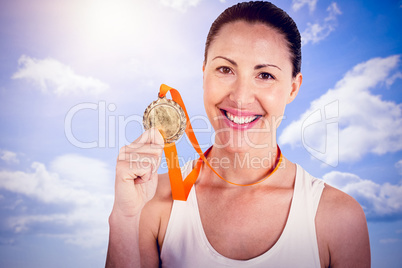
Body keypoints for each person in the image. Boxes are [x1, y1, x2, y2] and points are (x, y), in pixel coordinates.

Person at [106, 1, 371, 267]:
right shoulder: (151, 199)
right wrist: (125, 219)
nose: (241, 97)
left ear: (293, 87)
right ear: (204, 73)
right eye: (225, 69)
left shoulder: (338, 218)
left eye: (265, 75)